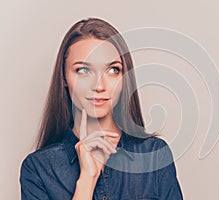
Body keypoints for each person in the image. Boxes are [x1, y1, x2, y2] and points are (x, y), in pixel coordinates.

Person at [19, 18, 183, 200]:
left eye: (113, 70)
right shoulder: (39, 168)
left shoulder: (154, 155)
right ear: (64, 78)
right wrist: (87, 179)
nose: (98, 86)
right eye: (83, 70)